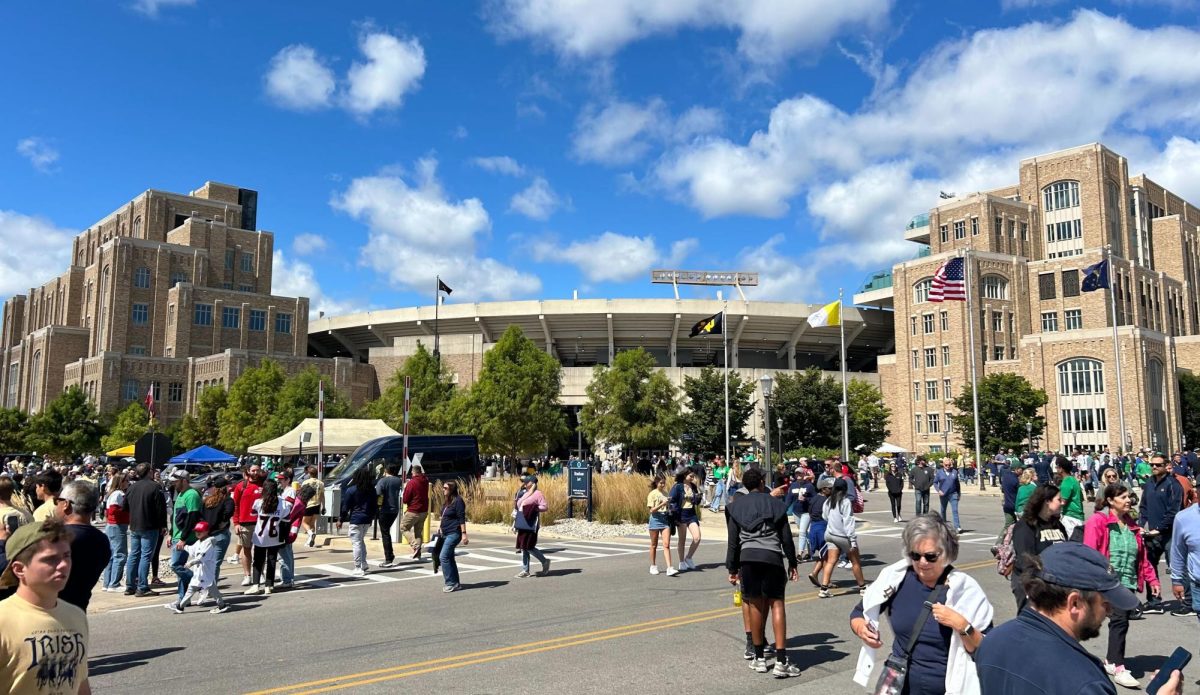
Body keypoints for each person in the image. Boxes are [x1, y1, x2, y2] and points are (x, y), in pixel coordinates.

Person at [975, 543, 1182, 695]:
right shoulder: (1085, 682)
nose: (1109, 610)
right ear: (1074, 603)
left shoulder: (993, 641)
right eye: (1105, 602)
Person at [850, 514, 992, 694]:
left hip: (946, 687)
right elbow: (858, 613)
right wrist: (862, 628)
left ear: (947, 553)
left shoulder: (965, 591)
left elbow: (984, 650)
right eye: (915, 555)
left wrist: (961, 625)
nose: (922, 562)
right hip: (897, 685)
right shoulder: (896, 579)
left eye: (930, 556)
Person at [0, 519, 91, 695]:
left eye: (66, 556)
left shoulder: (76, 616)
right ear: (19, 569)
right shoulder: (3, 620)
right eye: (51, 559)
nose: (63, 565)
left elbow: (80, 683)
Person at [725, 467, 800, 678]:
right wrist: (792, 563)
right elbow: (786, 537)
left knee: (755, 605)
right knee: (777, 604)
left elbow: (733, 542)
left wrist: (732, 568)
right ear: (760, 483)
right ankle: (781, 661)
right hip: (772, 557)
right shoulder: (776, 505)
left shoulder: (735, 507)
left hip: (747, 559)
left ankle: (758, 658)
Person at [1083, 483, 1157, 688]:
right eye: (1123, 497)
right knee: (1119, 620)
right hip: (1107, 581)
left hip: (1128, 580)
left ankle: (1111, 660)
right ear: (1110, 501)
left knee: (1120, 620)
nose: (1128, 500)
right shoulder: (1098, 521)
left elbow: (1141, 556)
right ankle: (1117, 665)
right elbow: (1090, 552)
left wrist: (1152, 579)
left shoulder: (1131, 524)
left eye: (1128, 497)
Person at [1010, 483, 1067, 612]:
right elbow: (1025, 559)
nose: (1062, 503)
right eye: (1059, 499)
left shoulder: (1057, 525)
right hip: (1032, 584)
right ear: (1047, 501)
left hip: (1054, 584)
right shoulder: (1026, 526)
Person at [56, 480, 110, 613]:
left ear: (66, 504)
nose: (56, 505)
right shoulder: (101, 540)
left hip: (50, 614)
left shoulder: (58, 538)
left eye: (57, 501)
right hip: (78, 611)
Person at [1139, 454, 1181, 614]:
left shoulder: (1173, 484)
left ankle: (1188, 602)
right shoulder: (1149, 484)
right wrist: (1141, 525)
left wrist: (1160, 528)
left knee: (1177, 567)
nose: (1154, 467)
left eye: (1158, 465)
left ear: (1166, 465)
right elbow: (1143, 507)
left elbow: (1173, 511)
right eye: (1152, 464)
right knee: (1150, 567)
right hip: (1151, 535)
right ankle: (1154, 602)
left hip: (1169, 533)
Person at [813, 478, 867, 598]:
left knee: (831, 561)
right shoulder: (845, 501)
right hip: (842, 535)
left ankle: (824, 589)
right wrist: (852, 540)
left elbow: (824, 516)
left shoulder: (828, 501)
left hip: (830, 534)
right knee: (855, 561)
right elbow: (848, 521)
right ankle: (863, 587)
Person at [165, 520, 228, 614]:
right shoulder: (199, 542)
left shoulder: (210, 542)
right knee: (190, 590)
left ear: (207, 531)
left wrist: (190, 563)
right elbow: (192, 549)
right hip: (198, 573)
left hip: (207, 573)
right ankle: (180, 607)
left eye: (200, 531)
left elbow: (201, 556)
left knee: (214, 591)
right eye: (196, 531)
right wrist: (182, 546)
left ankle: (222, 606)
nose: (198, 533)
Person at [124, 462, 166, 597]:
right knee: (145, 556)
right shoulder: (155, 486)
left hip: (135, 525)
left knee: (134, 555)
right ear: (149, 472)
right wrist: (163, 525)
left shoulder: (132, 487)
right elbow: (161, 508)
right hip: (149, 525)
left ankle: (130, 585)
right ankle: (142, 586)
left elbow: (124, 506)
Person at [245, 478, 291, 595]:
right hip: (275, 536)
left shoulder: (259, 502)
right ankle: (269, 586)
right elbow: (286, 521)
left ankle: (256, 585)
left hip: (260, 536)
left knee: (258, 561)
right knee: (272, 560)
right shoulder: (283, 503)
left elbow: (252, 514)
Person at [167, 469, 202, 605]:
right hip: (177, 536)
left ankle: (197, 582)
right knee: (179, 568)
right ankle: (183, 599)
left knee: (175, 565)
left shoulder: (191, 495)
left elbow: (192, 518)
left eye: (176, 481)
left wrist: (183, 538)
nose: (174, 484)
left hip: (185, 538)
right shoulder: (180, 494)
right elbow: (176, 517)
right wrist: (171, 534)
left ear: (184, 481)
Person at [231, 463, 264, 587]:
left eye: (258, 470)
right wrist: (236, 523)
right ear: (248, 471)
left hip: (261, 523)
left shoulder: (263, 485)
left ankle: (260, 573)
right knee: (246, 551)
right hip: (245, 523)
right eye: (253, 470)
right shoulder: (241, 486)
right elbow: (235, 506)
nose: (256, 473)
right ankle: (247, 575)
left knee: (260, 550)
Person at [341, 465, 377, 577]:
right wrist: (372, 517)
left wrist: (341, 519)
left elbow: (345, 507)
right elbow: (374, 505)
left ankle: (358, 567)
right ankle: (364, 562)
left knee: (356, 543)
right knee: (361, 541)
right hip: (367, 519)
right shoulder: (372, 490)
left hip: (356, 519)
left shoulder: (351, 490)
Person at [514, 475, 550, 578]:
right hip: (522, 522)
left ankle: (544, 561)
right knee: (523, 547)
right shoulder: (526, 493)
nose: (525, 483)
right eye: (524, 482)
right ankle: (525, 570)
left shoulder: (538, 494)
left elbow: (545, 506)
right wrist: (529, 493)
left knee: (529, 546)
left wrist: (534, 508)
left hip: (531, 523)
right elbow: (519, 504)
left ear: (533, 483)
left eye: (527, 482)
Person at [438, 480, 468, 592]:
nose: (443, 490)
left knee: (443, 557)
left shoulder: (458, 501)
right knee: (450, 558)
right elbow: (444, 515)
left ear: (452, 489)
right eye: (443, 488)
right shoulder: (447, 501)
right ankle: (455, 583)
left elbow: (461, 518)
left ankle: (450, 583)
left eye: (446, 488)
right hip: (445, 533)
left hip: (454, 533)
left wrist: (464, 534)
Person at [670, 470, 703, 572]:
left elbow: (696, 501)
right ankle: (681, 561)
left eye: (693, 476)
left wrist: (698, 498)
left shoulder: (693, 486)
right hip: (681, 514)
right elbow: (672, 500)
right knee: (682, 539)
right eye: (691, 476)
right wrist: (674, 513)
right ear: (684, 475)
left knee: (697, 537)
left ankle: (688, 557)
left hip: (691, 514)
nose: (693, 478)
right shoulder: (677, 486)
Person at [101, 471, 129, 592]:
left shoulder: (111, 494)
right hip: (117, 526)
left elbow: (108, 512)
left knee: (112, 555)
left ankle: (107, 583)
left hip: (111, 525)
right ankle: (114, 583)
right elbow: (113, 511)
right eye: (127, 480)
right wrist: (128, 512)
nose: (128, 482)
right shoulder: (119, 494)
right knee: (120, 555)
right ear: (121, 482)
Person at [784, 467, 817, 561]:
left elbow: (814, 500)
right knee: (805, 532)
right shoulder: (793, 485)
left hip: (806, 512)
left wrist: (806, 499)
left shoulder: (809, 486)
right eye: (797, 474)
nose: (798, 475)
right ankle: (810, 552)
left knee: (802, 532)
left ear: (804, 475)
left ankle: (799, 553)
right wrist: (783, 510)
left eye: (800, 473)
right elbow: (788, 500)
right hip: (796, 512)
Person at [376, 462, 404, 568]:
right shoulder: (398, 480)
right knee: (387, 532)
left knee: (385, 534)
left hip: (384, 509)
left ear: (386, 471)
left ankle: (388, 558)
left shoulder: (382, 481)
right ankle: (389, 556)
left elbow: (378, 493)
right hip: (395, 509)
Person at [646, 475, 675, 575]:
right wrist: (662, 504)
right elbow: (651, 510)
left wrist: (669, 505)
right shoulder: (652, 494)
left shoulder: (665, 493)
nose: (663, 485)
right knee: (654, 545)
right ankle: (653, 565)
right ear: (656, 483)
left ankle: (669, 567)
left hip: (664, 519)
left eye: (664, 483)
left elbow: (668, 507)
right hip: (655, 519)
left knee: (666, 544)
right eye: (661, 483)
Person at [400, 463, 429, 560]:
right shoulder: (425, 480)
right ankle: (418, 553)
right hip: (424, 510)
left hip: (414, 510)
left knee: (403, 528)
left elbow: (405, 499)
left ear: (413, 472)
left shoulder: (412, 483)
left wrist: (405, 488)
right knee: (418, 531)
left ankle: (415, 546)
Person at [1056, 456, 1086, 541]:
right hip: (1077, 515)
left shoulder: (1066, 482)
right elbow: (1081, 498)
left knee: (1070, 542)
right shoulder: (1073, 480)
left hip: (1070, 516)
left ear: (1061, 469)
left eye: (1057, 467)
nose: (1056, 469)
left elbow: (1063, 501)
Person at [934, 457, 963, 533]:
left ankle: (957, 527)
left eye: (949, 465)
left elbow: (957, 484)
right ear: (943, 465)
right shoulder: (939, 472)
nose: (948, 466)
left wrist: (959, 493)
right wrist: (938, 490)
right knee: (943, 510)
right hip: (943, 494)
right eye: (946, 465)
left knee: (955, 510)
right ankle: (943, 525)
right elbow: (935, 482)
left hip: (953, 494)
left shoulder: (954, 472)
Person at [299, 465, 324, 548]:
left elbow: (302, 495)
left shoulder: (305, 482)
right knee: (312, 523)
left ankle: (310, 534)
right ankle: (309, 540)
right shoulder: (321, 483)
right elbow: (322, 496)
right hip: (317, 505)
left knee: (304, 522)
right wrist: (323, 506)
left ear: (309, 474)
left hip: (308, 504)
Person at [998, 460, 1021, 544]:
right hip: (1013, 505)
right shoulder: (1015, 480)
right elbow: (1019, 491)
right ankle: (998, 544)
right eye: (1021, 469)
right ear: (1017, 469)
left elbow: (1003, 490)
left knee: (1012, 526)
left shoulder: (1006, 476)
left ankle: (1009, 544)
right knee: (1008, 525)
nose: (1022, 471)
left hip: (1007, 504)